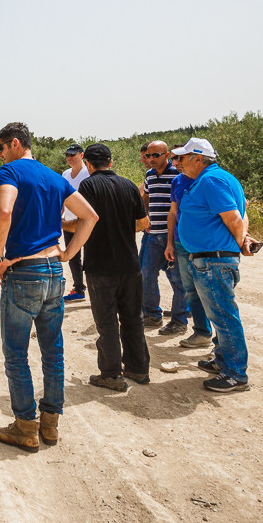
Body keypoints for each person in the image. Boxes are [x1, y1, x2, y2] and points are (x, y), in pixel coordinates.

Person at [0, 123, 98, 451]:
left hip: (24, 271)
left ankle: (25, 426)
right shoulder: (54, 177)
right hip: (54, 271)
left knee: (16, 353)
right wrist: (68, 254)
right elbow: (90, 217)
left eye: (0, 148)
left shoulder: (10, 172)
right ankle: (50, 425)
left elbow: (4, 210)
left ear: (15, 143)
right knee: (53, 351)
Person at [170, 137, 255, 393]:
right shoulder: (215, 178)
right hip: (211, 258)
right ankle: (223, 361)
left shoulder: (211, 180)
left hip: (213, 260)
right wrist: (242, 239)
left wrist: (239, 242)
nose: (179, 162)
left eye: (183, 157)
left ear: (198, 158)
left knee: (224, 317)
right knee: (218, 315)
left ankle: (236, 374)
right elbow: (242, 212)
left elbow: (234, 217)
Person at [78, 143, 150, 392]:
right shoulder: (129, 185)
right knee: (133, 317)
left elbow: (84, 221)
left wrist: (61, 226)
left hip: (100, 265)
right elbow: (143, 223)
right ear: (110, 162)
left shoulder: (88, 186)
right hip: (130, 264)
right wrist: (123, 228)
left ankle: (110, 374)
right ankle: (138, 368)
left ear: (88, 164)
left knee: (106, 321)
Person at [165, 151, 215, 349]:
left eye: (181, 158)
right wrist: (170, 242)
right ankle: (202, 332)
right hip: (181, 244)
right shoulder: (177, 182)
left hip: (206, 245)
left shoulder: (207, 180)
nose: (177, 162)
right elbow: (173, 213)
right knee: (190, 290)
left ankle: (222, 343)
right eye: (176, 158)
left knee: (210, 292)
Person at [140, 140, 188, 334]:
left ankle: (179, 321)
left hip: (173, 236)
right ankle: (152, 315)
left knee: (177, 280)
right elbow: (146, 197)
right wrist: (146, 217)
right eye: (148, 155)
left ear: (167, 155)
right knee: (146, 275)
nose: (151, 159)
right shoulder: (149, 175)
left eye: (155, 155)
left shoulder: (178, 174)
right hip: (154, 235)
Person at [60, 143, 89, 302]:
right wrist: (60, 214)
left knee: (91, 257)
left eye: (73, 154)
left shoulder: (88, 173)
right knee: (73, 256)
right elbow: (63, 196)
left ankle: (95, 289)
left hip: (86, 222)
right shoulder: (65, 174)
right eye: (67, 155)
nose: (69, 158)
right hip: (70, 223)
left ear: (82, 155)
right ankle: (79, 289)